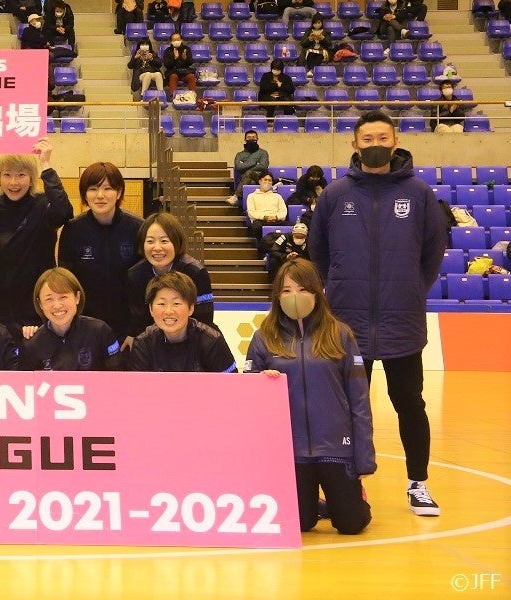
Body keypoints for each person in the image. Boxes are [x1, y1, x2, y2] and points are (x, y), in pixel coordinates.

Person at [308, 110, 446, 516]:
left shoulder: (419, 193)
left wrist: (410, 290)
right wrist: (339, 288)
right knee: (347, 408)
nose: (375, 146)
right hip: (346, 324)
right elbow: (319, 252)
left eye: (382, 138)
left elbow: (432, 253)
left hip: (402, 321)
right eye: (367, 139)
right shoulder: (335, 195)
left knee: (410, 403)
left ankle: (418, 484)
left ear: (395, 141)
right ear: (355, 144)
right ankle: (350, 484)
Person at [245, 259, 375, 535]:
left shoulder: (340, 335)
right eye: (286, 291)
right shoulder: (263, 338)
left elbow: (359, 399)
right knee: (301, 524)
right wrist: (260, 382)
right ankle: (317, 503)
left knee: (351, 524)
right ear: (277, 296)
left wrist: (364, 456)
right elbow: (247, 397)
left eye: (303, 289)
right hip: (291, 451)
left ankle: (350, 497)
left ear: (317, 293)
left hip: (336, 447)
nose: (295, 297)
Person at [0, 139, 74, 333]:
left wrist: (46, 165)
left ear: (31, 178)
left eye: (21, 175)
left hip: (35, 306)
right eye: (7, 175)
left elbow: (64, 212)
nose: (14, 182)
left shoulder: (43, 204)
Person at [58, 162, 144, 347]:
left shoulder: (138, 228)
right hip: (85, 328)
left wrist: (135, 331)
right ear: (84, 194)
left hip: (127, 330)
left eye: (108, 188)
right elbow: (67, 283)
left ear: (119, 193)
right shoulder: (73, 229)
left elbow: (146, 283)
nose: (100, 195)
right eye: (93, 189)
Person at [126, 212, 215, 339]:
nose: (157, 248)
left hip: (193, 338)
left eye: (164, 241)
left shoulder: (196, 272)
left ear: (176, 241)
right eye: (150, 241)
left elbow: (205, 318)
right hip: (152, 340)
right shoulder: (135, 275)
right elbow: (138, 321)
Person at [128, 271, 236, 373]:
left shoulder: (212, 342)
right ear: (151, 309)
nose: (168, 311)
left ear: (191, 308)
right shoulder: (142, 345)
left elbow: (231, 383)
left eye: (176, 303)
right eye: (161, 304)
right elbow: (138, 385)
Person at [18, 268, 119, 370]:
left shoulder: (100, 331)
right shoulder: (31, 344)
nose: (57, 305)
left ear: (77, 297)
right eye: (49, 299)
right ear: (40, 304)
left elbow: (118, 374)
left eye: (63, 297)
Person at [246, 171, 289, 247]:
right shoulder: (251, 196)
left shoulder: (277, 196)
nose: (267, 182)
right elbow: (251, 213)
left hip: (276, 220)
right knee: (256, 227)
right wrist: (265, 217)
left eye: (270, 180)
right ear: (260, 181)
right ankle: (264, 247)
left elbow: (283, 211)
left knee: (293, 226)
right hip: (261, 221)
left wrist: (276, 217)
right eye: (265, 180)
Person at [232, 129, 270, 193]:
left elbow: (263, 166)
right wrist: (254, 163)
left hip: (259, 177)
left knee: (248, 172)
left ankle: (236, 195)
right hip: (244, 179)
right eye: (249, 137)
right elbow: (239, 167)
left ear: (257, 139)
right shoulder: (239, 154)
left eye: (253, 137)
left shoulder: (263, 153)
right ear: (245, 140)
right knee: (251, 182)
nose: (251, 139)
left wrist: (245, 166)